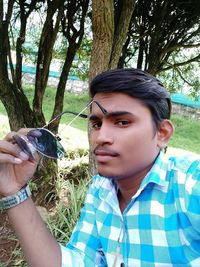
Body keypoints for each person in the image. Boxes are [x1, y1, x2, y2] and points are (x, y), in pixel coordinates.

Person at [0, 68, 199, 267]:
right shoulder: (101, 189)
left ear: (162, 133)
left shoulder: (188, 185)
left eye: (122, 122)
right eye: (96, 124)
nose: (101, 137)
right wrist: (14, 190)